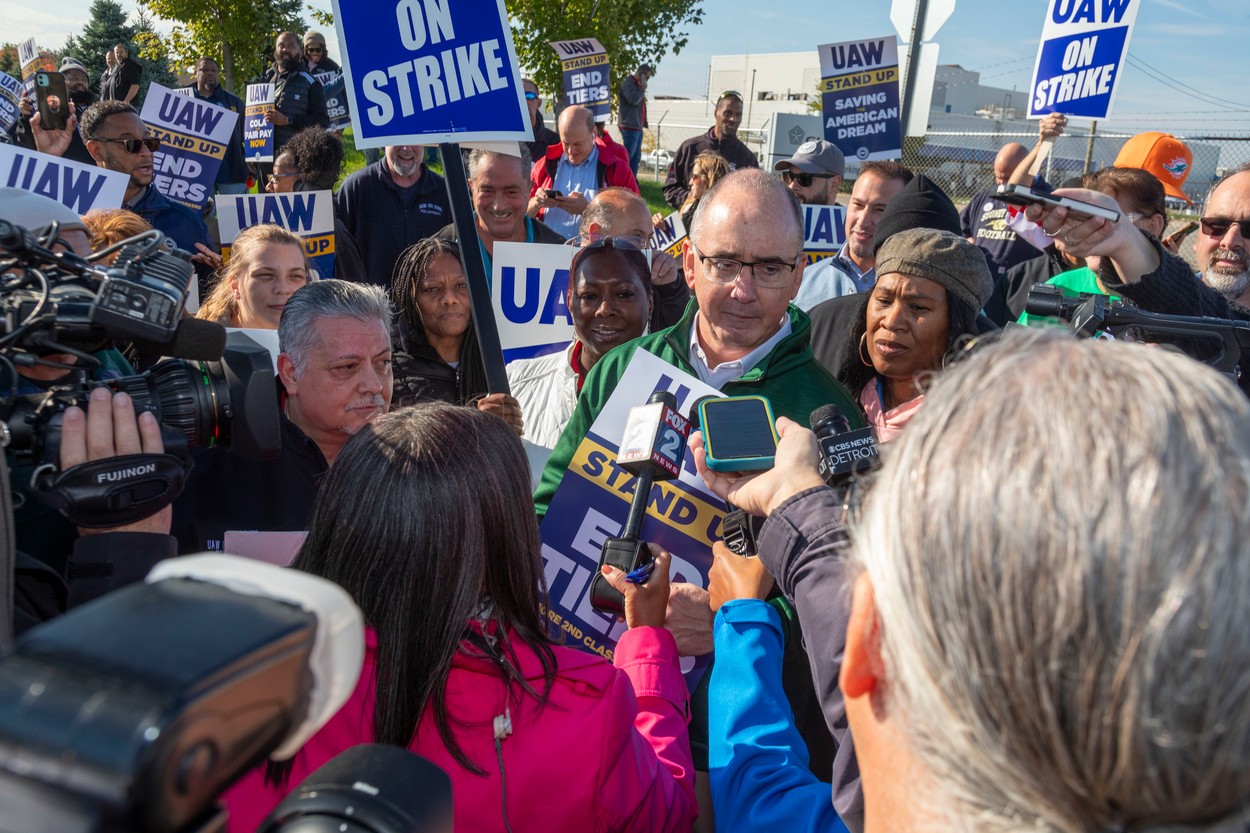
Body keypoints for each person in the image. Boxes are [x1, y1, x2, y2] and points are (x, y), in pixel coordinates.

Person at [699, 328, 1250, 833]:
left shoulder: (890, 807)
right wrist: (799, 507)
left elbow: (761, 793)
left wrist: (744, 622)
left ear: (873, 643)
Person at [221, 403, 696, 833]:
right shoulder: (588, 709)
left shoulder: (235, 682)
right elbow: (666, 811)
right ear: (502, 541)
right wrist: (648, 644)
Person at [170, 280, 392, 553]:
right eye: (347, 366)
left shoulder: (418, 459)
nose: (374, 385)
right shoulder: (208, 469)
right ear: (291, 373)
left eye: (383, 363)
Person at [831, 227, 992, 441]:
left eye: (917, 307)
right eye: (884, 301)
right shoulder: (842, 402)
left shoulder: (978, 427)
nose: (891, 322)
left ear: (956, 324)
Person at [508, 237, 653, 448]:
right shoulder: (516, 383)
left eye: (623, 294)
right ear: (569, 302)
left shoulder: (679, 394)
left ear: (650, 301)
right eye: (589, 296)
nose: (605, 309)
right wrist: (486, 436)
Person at [387, 237, 523, 433]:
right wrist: (474, 423)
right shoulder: (387, 368)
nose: (449, 299)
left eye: (461, 286)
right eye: (432, 289)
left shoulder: (502, 360)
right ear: (411, 296)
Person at [80, 101, 215, 282]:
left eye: (149, 142)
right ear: (96, 150)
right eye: (131, 144)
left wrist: (220, 277)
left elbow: (208, 303)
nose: (146, 153)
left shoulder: (187, 223)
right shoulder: (73, 218)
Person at [1017, 166, 1168, 326]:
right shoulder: (1059, 286)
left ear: (1153, 226)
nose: (1097, 227)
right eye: (1087, 216)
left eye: (1112, 217)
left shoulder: (1177, 302)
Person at [793, 161, 914, 311]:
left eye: (880, 210)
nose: (863, 220)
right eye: (858, 205)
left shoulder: (917, 293)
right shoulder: (802, 282)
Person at [434, 145, 564, 276]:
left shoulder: (560, 254)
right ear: (471, 187)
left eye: (511, 192)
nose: (499, 206)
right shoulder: (436, 252)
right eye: (487, 191)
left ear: (529, 189)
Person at [335, 144, 450, 286]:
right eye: (399, 140)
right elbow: (337, 252)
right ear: (383, 142)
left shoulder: (445, 192)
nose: (406, 148)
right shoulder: (357, 187)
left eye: (414, 139)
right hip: (369, 304)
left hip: (425, 304)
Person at [582, 187, 689, 330]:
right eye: (636, 237)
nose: (647, 249)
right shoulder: (548, 273)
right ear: (596, 235)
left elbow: (673, 341)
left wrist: (670, 290)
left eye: (649, 238)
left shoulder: (653, 284)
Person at [269, 127, 366, 283]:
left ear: (302, 184)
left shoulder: (338, 239)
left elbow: (355, 301)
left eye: (275, 179)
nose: (269, 187)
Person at [528, 104, 640, 240]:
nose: (571, 151)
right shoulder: (544, 165)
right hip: (546, 255)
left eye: (577, 144)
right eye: (565, 143)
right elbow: (520, 216)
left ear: (593, 133)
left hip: (595, 257)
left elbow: (636, 220)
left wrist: (588, 209)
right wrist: (536, 202)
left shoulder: (615, 168)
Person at [960, 138, 1045, 282]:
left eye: (1006, 178)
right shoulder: (985, 196)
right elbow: (961, 226)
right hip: (980, 279)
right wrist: (966, 240)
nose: (1000, 183)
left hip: (1020, 282)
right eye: (997, 176)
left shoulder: (1042, 199)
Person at [197, 224, 310, 329]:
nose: (282, 289)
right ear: (235, 285)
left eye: (295, 276)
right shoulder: (198, 347)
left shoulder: (322, 340)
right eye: (266, 275)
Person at [663, 92, 758, 210]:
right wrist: (693, 200)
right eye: (727, 113)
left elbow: (753, 199)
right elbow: (671, 188)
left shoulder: (747, 158)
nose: (733, 119)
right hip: (690, 224)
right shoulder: (689, 148)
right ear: (716, 113)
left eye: (738, 114)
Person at [183, 57, 248, 195]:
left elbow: (247, 135)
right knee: (203, 217)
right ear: (195, 73)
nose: (210, 73)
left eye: (214, 70)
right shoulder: (183, 99)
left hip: (230, 172)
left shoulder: (234, 103)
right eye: (204, 70)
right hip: (195, 175)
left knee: (234, 216)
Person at [15, 56, 96, 165]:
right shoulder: (52, 108)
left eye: (84, 80)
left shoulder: (96, 110)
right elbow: (28, 145)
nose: (80, 82)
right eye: (74, 78)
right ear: (62, 82)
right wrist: (26, 116)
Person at [261, 32, 328, 159]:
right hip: (264, 158)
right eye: (281, 45)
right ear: (276, 49)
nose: (285, 49)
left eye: (291, 46)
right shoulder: (266, 78)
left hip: (295, 160)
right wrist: (250, 154)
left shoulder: (309, 82)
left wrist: (287, 120)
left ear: (300, 51)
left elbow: (322, 121)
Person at [773, 139, 844, 206]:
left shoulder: (847, 219)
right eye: (790, 176)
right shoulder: (778, 217)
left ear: (834, 184)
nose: (791, 186)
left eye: (804, 178)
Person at [672, 150, 730, 232]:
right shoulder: (690, 205)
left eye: (695, 177)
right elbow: (678, 236)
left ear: (709, 179)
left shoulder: (721, 216)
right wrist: (664, 228)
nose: (690, 183)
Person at [618, 63, 654, 176]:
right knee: (628, 156)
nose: (647, 80)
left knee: (636, 158)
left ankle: (632, 182)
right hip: (629, 125)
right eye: (646, 77)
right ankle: (623, 180)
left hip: (637, 126)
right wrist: (642, 89)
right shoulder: (628, 84)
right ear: (640, 73)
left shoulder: (637, 86)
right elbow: (633, 100)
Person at [522, 78, 559, 162]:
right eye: (517, 95)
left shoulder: (554, 143)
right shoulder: (502, 142)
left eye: (528, 96)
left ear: (538, 103)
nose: (523, 100)